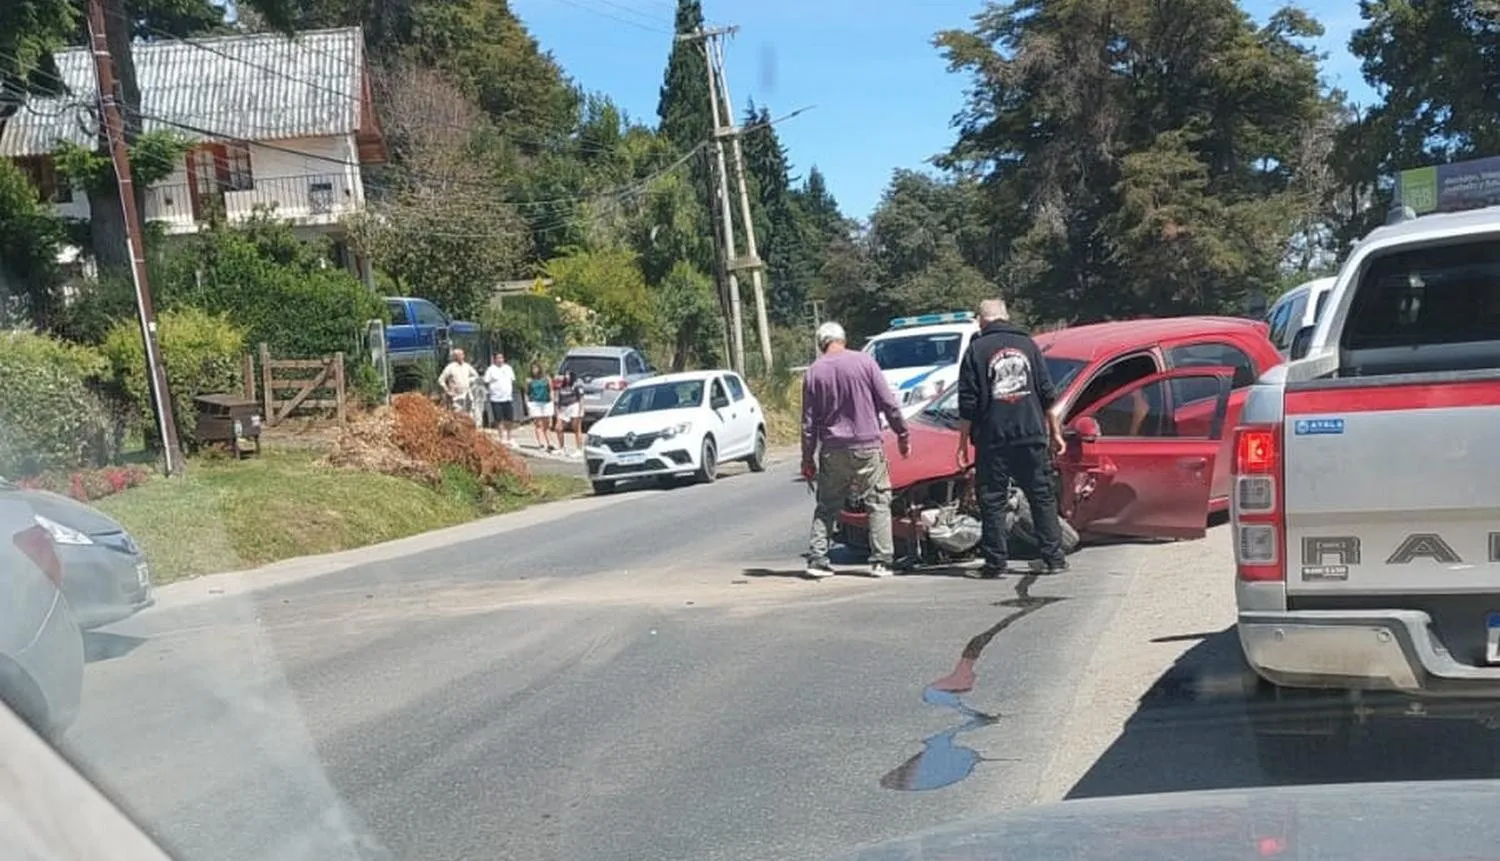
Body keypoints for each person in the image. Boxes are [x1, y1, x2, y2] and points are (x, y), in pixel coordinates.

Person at [955, 298, 1069, 578]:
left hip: (993, 437)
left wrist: (962, 443)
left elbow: (968, 403)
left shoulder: (976, 350)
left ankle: (995, 563)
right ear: (1005, 317)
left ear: (982, 320)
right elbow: (1046, 394)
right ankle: (1054, 558)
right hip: (1031, 433)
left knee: (992, 498)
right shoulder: (1028, 345)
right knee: (1041, 496)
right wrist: (1054, 432)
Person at [801, 321, 911, 579]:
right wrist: (902, 433)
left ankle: (817, 558)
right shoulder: (864, 362)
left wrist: (807, 458)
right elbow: (888, 402)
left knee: (827, 505)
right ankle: (881, 560)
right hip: (867, 445)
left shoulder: (814, 372)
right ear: (844, 339)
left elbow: (808, 422)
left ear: (821, 343)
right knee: (878, 501)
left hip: (832, 449)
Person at [483, 352, 518, 446]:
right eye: (498, 358)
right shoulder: (490, 369)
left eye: (501, 358)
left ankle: (510, 438)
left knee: (509, 419)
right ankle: (502, 437)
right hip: (495, 398)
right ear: (494, 359)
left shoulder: (508, 368)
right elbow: (486, 381)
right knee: (499, 419)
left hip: (507, 398)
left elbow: (512, 380)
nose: (500, 360)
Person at [438, 348, 479, 419]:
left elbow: (476, 375)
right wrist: (447, 390)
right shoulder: (450, 367)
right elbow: (441, 380)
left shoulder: (467, 366)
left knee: (470, 416)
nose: (461, 356)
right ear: (455, 357)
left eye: (462, 354)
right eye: (458, 355)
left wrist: (469, 381)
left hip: (467, 395)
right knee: (458, 415)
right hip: (456, 396)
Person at [524, 363, 556, 451]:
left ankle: (550, 443)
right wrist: (527, 404)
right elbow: (526, 393)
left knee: (547, 424)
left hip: (546, 402)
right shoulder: (529, 380)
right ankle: (541, 443)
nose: (534, 370)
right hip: (535, 403)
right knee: (538, 424)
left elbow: (551, 390)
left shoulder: (546, 378)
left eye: (536, 368)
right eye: (533, 368)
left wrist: (553, 401)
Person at [553, 370, 586, 457]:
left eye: (568, 375)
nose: (567, 376)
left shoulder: (576, 385)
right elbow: (557, 400)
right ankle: (561, 448)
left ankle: (579, 449)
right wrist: (557, 411)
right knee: (558, 428)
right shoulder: (562, 386)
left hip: (574, 406)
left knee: (576, 429)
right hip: (563, 408)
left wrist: (580, 411)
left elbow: (581, 398)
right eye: (565, 375)